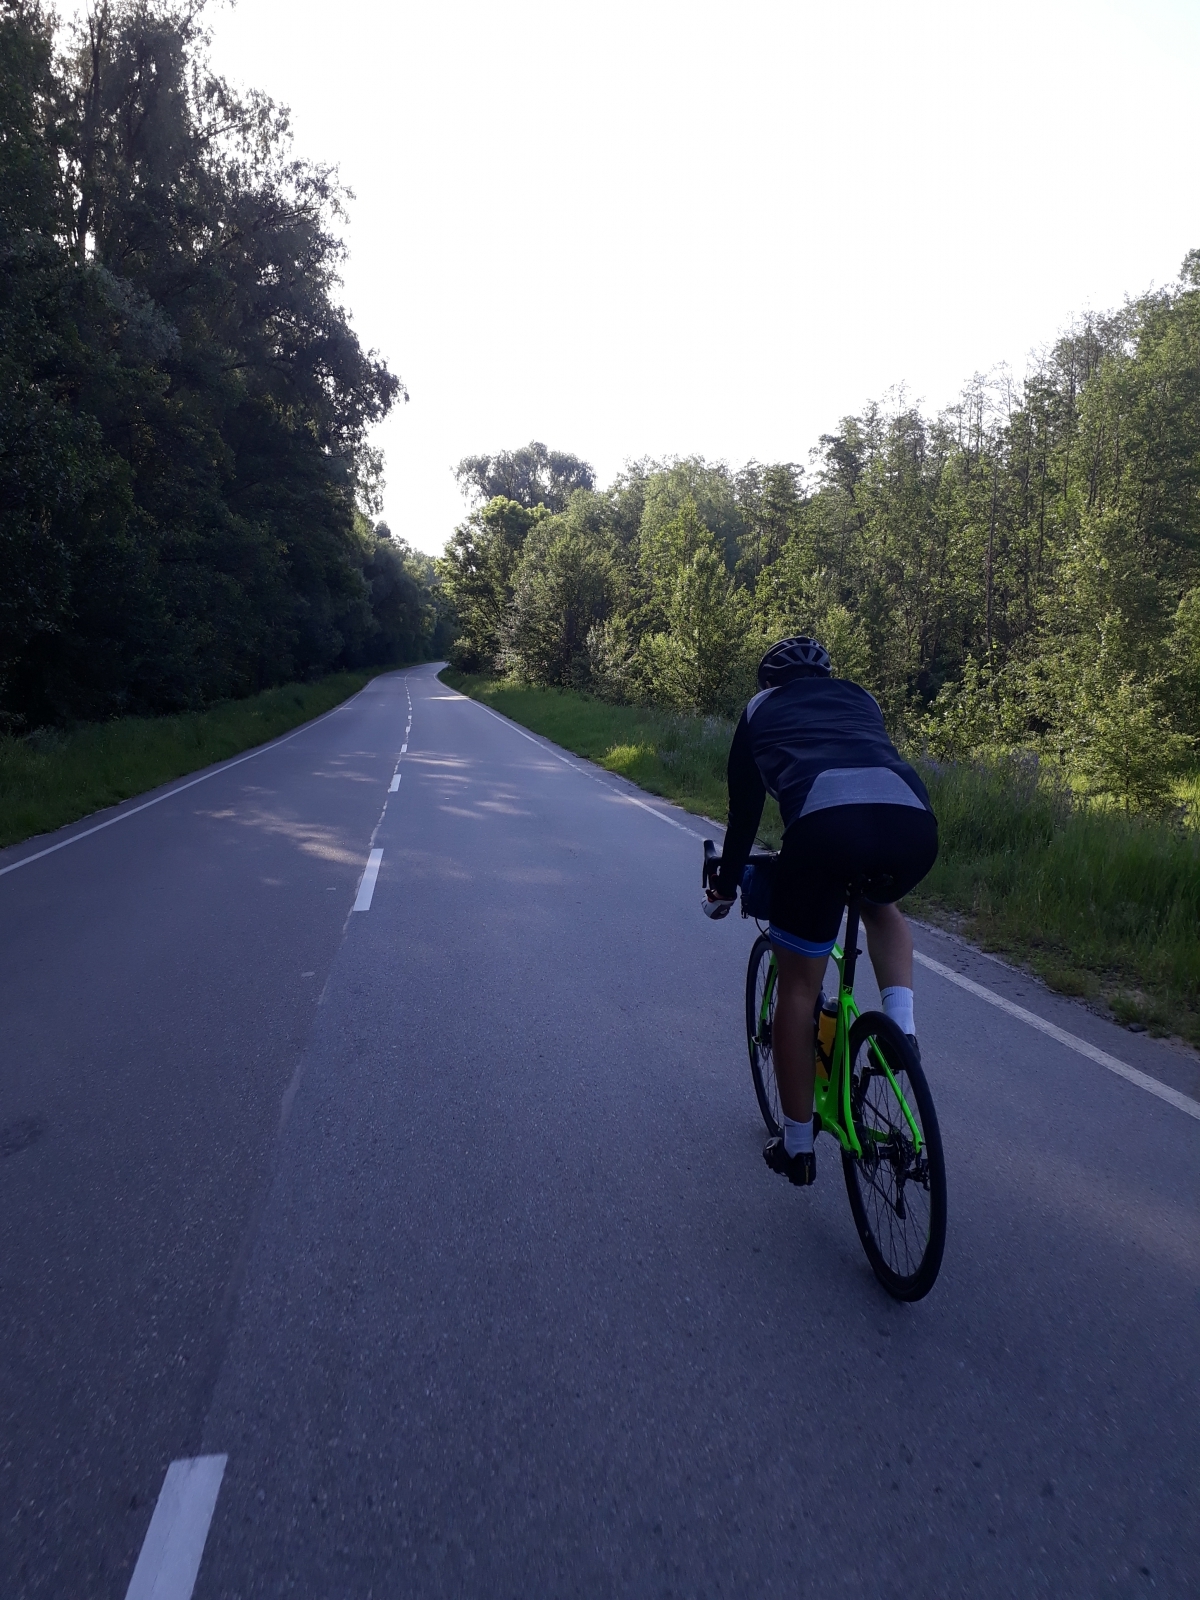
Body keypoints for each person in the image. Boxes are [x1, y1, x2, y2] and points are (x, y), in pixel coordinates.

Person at [703, 637, 938, 1187]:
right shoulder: (861, 698)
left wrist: (726, 886)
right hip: (911, 822)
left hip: (825, 829)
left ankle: (797, 1146)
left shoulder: (759, 709)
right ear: (827, 676)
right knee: (881, 907)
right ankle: (901, 1032)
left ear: (768, 684)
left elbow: (745, 815)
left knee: (799, 988)